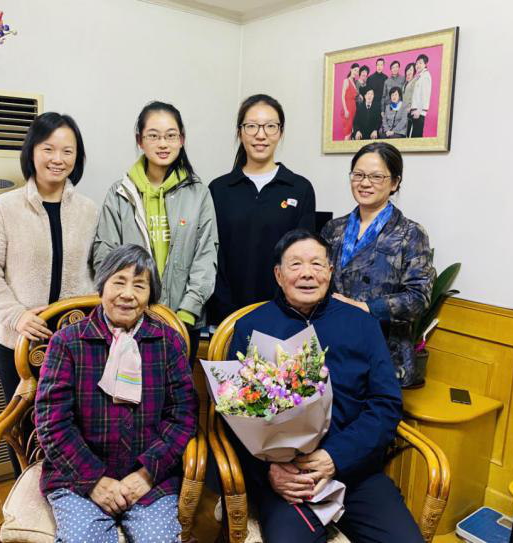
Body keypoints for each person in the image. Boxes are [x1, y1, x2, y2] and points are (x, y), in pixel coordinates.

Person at [228, 229, 423, 543]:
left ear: (330, 272)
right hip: (287, 478)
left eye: (317, 264)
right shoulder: (252, 327)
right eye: (296, 264)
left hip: (354, 470)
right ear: (278, 274)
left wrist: (336, 457)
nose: (308, 273)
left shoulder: (362, 324)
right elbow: (233, 415)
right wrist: (269, 472)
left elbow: (385, 404)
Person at [36, 244, 197, 543]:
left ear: (151, 295)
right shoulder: (67, 342)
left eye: (139, 286)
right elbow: (52, 423)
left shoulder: (168, 342)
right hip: (77, 480)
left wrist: (146, 474)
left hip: (149, 482)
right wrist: (93, 480)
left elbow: (183, 417)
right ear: (102, 285)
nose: (127, 294)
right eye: (118, 282)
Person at [0, 112, 98, 476]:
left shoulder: (89, 210)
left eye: (68, 151)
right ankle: (26, 495)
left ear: (77, 157)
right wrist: (18, 316)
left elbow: (99, 271)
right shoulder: (4, 208)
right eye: (48, 148)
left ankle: (70, 496)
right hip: (20, 343)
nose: (58, 159)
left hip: (76, 344)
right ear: (32, 151)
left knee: (75, 427)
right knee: (25, 430)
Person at [92, 101, 217, 361]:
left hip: (184, 321)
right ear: (140, 140)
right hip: (128, 317)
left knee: (177, 386)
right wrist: (127, 304)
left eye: (171, 136)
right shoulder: (120, 193)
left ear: (181, 139)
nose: (163, 144)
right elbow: (105, 256)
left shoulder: (199, 194)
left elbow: (206, 256)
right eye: (153, 136)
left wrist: (186, 313)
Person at [321, 142, 434, 387]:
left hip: (384, 354)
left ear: (394, 183)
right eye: (358, 175)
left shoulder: (410, 233)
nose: (364, 183)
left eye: (376, 176)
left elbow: (418, 298)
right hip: (335, 348)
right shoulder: (333, 229)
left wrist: (365, 307)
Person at [207, 94, 316, 325]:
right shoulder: (219, 189)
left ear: (281, 132)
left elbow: (302, 257)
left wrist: (285, 309)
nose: (261, 134)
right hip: (226, 316)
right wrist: (227, 312)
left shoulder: (300, 188)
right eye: (252, 126)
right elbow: (212, 256)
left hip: (285, 315)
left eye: (270, 126)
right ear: (240, 132)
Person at [409, 54, 432, 138]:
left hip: (419, 112)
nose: (418, 65)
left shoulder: (425, 76)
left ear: (425, 64)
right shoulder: (419, 76)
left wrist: (419, 110)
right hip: (414, 111)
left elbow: (425, 95)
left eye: (420, 63)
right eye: (417, 63)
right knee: (413, 136)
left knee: (416, 137)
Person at [340, 63, 359, 140]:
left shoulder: (354, 82)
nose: (356, 72)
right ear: (351, 69)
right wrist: (345, 110)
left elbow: (355, 95)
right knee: (347, 133)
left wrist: (360, 95)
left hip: (353, 108)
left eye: (357, 71)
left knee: (351, 132)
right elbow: (342, 96)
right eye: (355, 70)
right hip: (348, 108)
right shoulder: (346, 81)